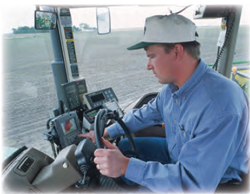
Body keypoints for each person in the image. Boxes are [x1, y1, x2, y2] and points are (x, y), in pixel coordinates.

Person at [79, 14, 249, 192]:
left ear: (177, 51)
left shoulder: (219, 107)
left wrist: (126, 166)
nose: (148, 65)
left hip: (215, 182)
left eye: (152, 56)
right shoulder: (172, 89)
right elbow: (147, 113)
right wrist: (107, 131)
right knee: (124, 146)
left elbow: (193, 183)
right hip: (178, 155)